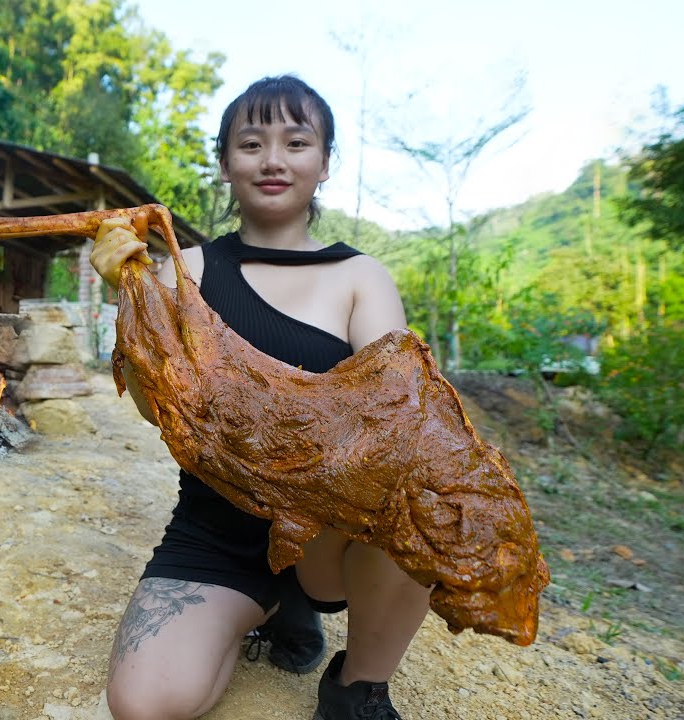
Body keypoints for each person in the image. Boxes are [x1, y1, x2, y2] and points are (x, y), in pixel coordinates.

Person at [88, 75, 430, 720]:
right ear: (225, 163)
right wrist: (132, 302)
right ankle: (269, 608)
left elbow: (395, 411)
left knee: (418, 498)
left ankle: (358, 685)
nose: (273, 159)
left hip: (327, 532)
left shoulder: (360, 277)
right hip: (216, 530)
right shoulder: (184, 270)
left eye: (296, 142)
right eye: (251, 143)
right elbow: (152, 406)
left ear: (324, 164)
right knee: (144, 704)